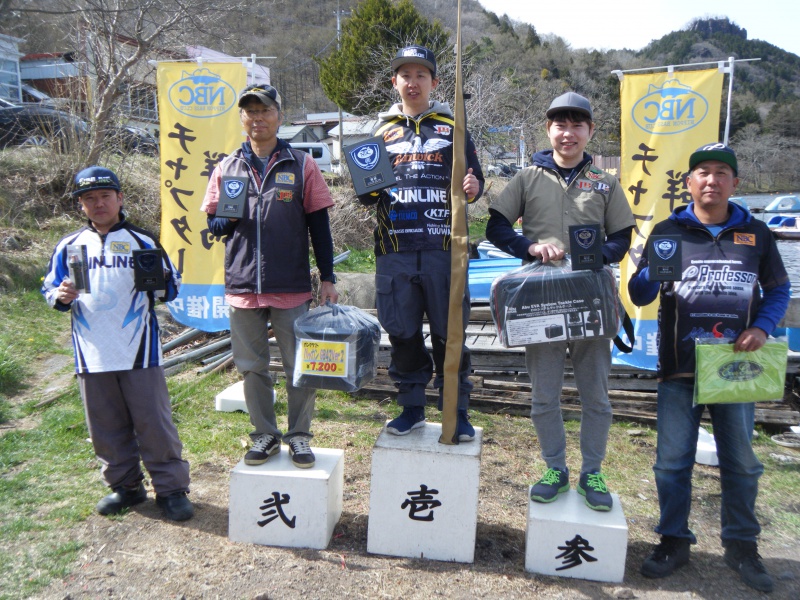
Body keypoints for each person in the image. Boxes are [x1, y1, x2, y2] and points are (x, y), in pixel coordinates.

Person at [629, 143, 790, 593]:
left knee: (741, 462)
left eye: (722, 173)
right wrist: (652, 275)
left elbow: (779, 289)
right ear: (690, 181)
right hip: (679, 367)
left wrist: (761, 327)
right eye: (703, 172)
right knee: (670, 463)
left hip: (736, 367)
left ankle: (742, 546)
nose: (712, 180)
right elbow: (640, 296)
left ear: (734, 184)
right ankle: (673, 540)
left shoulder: (757, 234)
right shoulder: (667, 229)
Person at [485, 92, 634, 511]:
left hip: (590, 298)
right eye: (560, 125)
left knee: (597, 396)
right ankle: (555, 467)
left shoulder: (605, 182)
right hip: (541, 300)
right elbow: (495, 225)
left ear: (589, 131)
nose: (568, 133)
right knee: (544, 395)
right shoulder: (527, 177)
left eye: (577, 125)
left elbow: (623, 235)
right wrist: (529, 248)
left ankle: (592, 472)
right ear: (548, 130)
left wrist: (597, 255)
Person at [41, 166, 193, 521]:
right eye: (89, 199)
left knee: (154, 423)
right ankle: (126, 487)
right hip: (91, 351)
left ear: (120, 198)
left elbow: (169, 288)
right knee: (105, 426)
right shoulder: (69, 246)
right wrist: (61, 295)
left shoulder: (143, 240)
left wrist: (164, 281)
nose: (98, 204)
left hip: (138, 349)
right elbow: (50, 287)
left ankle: (171, 489)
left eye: (105, 196)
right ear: (80, 205)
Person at [201, 84, 339, 469]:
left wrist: (327, 277)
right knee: (251, 366)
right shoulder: (227, 167)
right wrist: (223, 219)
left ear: (278, 115)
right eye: (250, 112)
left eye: (264, 111)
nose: (257, 118)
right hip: (243, 286)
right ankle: (264, 433)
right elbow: (213, 224)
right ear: (242, 119)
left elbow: (319, 225)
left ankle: (299, 436)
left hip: (290, 286)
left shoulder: (301, 164)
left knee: (301, 365)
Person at [358, 45, 484, 440]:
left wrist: (474, 186)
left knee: (452, 334)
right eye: (405, 75)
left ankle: (456, 411)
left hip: (444, 250)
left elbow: (475, 181)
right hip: (394, 251)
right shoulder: (378, 132)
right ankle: (411, 408)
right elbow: (366, 195)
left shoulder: (454, 127)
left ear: (434, 82)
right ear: (394, 82)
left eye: (421, 75)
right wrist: (369, 190)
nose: (413, 83)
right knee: (402, 332)